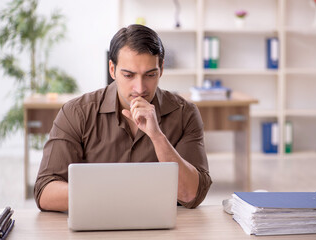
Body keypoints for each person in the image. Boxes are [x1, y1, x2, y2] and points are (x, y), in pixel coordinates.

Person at [34, 24, 212, 212]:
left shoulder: (185, 114)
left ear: (161, 69)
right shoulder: (76, 113)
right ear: (112, 69)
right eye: (128, 75)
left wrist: (157, 136)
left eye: (150, 75)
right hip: (96, 222)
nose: (140, 88)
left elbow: (192, 195)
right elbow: (45, 191)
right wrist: (113, 195)